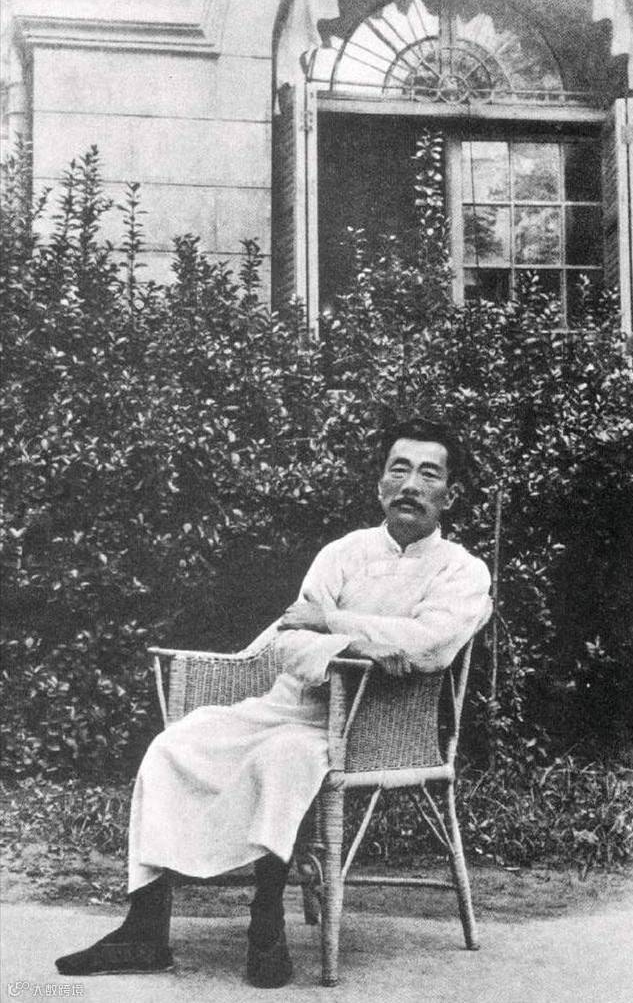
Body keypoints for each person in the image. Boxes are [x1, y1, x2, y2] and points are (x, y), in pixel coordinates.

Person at [55, 417, 491, 987]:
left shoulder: (462, 571)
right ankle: (145, 930)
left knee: (282, 758)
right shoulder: (342, 553)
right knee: (173, 746)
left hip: (374, 725)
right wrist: (362, 644)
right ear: (380, 484)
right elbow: (289, 639)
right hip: (288, 704)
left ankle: (266, 924)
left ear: (450, 495)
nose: (410, 485)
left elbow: (428, 646)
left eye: (428, 474)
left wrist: (331, 623)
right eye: (399, 469)